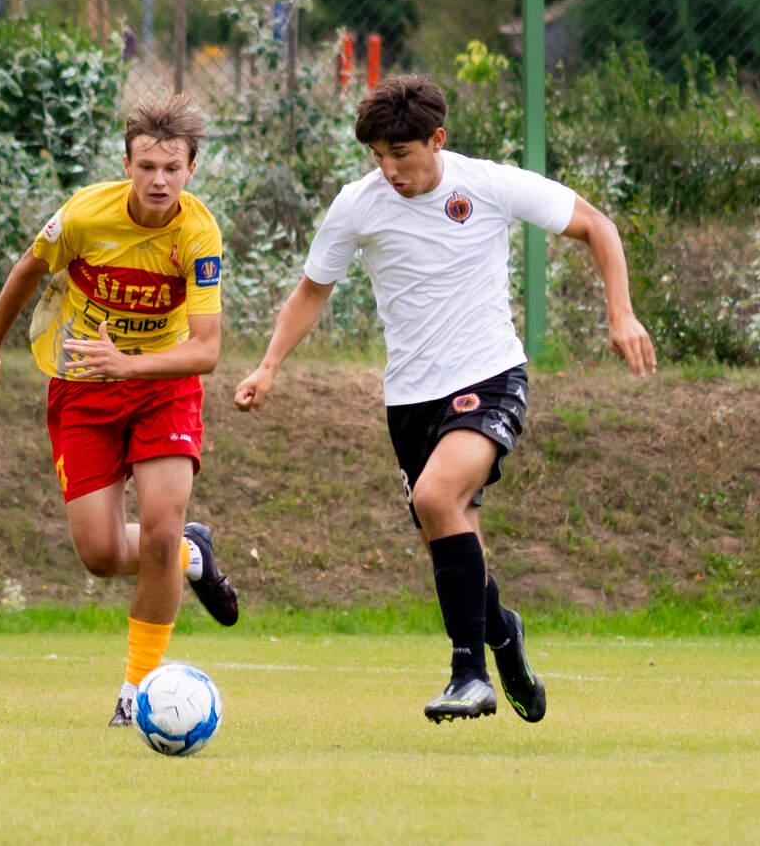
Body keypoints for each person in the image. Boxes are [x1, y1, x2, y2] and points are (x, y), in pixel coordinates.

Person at [234, 74, 655, 724]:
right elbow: (313, 290)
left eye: (400, 154)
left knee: (435, 497)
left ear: (437, 139)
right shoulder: (357, 205)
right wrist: (268, 366)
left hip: (488, 375)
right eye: (378, 155)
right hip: (409, 399)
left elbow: (597, 226)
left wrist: (620, 314)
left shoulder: (486, 184)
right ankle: (504, 635)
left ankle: (469, 675)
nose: (389, 170)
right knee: (452, 543)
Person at [0, 90, 238, 728]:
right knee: (101, 554)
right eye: (147, 166)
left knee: (160, 528)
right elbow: (27, 270)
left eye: (172, 168)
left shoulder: (198, 234)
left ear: (191, 169)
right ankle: (191, 557)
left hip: (163, 385)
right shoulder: (85, 215)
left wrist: (130, 365)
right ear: (127, 165)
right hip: (84, 385)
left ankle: (136, 691)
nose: (159, 180)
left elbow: (206, 351)